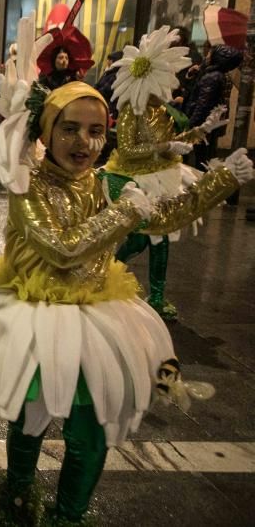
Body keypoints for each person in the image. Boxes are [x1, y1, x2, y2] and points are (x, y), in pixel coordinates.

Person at [0, 31, 251, 523]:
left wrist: (219, 182)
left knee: (92, 428)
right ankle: (17, 493)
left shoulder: (104, 182)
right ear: (46, 132)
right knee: (32, 417)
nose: (84, 143)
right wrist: (122, 215)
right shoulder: (27, 187)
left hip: (99, 315)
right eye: (70, 129)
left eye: (96, 132)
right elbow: (62, 248)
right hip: (37, 314)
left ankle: (68, 515)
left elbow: (160, 218)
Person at [101, 26, 230, 322]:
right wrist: (164, 145)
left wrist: (204, 129)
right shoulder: (131, 113)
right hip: (132, 181)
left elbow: (181, 138)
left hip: (164, 179)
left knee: (162, 237)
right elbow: (128, 150)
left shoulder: (164, 111)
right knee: (145, 236)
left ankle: (156, 296)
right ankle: (107, 270)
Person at [183, 44, 241, 168]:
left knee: (200, 157)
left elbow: (203, 105)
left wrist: (190, 124)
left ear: (218, 57)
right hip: (207, 124)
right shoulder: (213, 73)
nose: (207, 55)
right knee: (203, 154)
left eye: (210, 53)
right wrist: (193, 74)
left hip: (202, 124)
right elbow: (194, 91)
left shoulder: (212, 77)